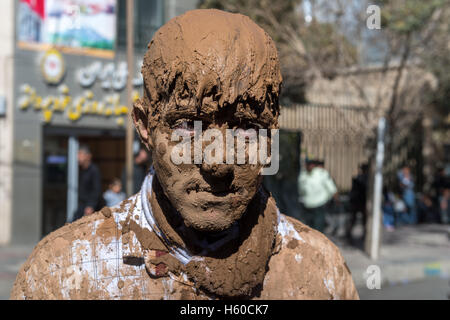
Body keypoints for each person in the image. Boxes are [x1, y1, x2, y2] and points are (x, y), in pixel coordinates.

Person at [11, 9, 358, 300]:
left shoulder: (319, 272)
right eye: (188, 127)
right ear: (146, 127)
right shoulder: (64, 275)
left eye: (246, 127)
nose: (218, 162)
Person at [298, 159, 338, 233]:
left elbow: (331, 188)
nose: (310, 166)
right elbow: (301, 190)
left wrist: (335, 199)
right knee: (309, 229)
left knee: (318, 228)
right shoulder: (303, 175)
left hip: (319, 204)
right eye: (308, 164)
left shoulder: (321, 173)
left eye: (312, 164)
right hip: (307, 205)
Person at [72, 145, 102, 222]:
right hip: (82, 205)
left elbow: (96, 189)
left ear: (88, 156)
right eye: (77, 154)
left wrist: (90, 206)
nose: (78, 157)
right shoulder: (81, 170)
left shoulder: (94, 170)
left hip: (91, 207)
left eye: (80, 154)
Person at [346, 163, 368, 241]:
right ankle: (348, 235)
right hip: (357, 201)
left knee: (364, 221)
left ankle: (364, 236)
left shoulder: (367, 179)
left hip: (363, 202)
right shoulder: (358, 178)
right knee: (353, 220)